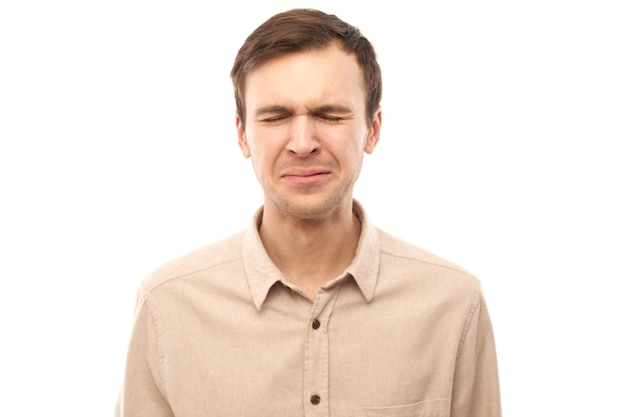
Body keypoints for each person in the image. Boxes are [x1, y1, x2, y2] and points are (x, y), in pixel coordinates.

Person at [115, 8, 501, 417]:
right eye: (275, 117)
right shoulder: (168, 306)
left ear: (373, 129)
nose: (302, 143)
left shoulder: (454, 304)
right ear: (243, 134)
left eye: (329, 115)